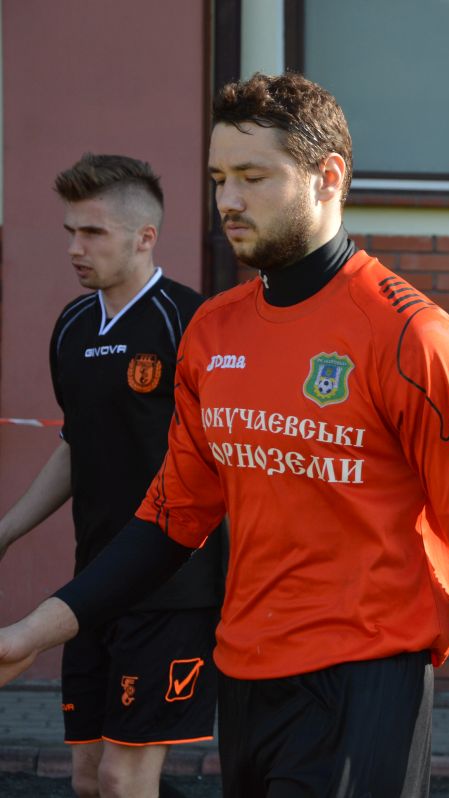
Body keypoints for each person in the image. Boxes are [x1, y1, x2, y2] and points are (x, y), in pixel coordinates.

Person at [0, 73, 449, 798]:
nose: (228, 201)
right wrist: (33, 632)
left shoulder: (413, 336)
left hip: (367, 680)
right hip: (245, 679)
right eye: (219, 179)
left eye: (253, 177)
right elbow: (168, 524)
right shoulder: (212, 332)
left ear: (328, 177)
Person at [0, 154, 223, 798]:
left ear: (144, 236)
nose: (75, 248)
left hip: (172, 589)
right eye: (70, 231)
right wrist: (7, 530)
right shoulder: (71, 327)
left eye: (93, 232)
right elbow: (77, 445)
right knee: (89, 778)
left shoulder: (190, 322)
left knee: (127, 777)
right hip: (91, 588)